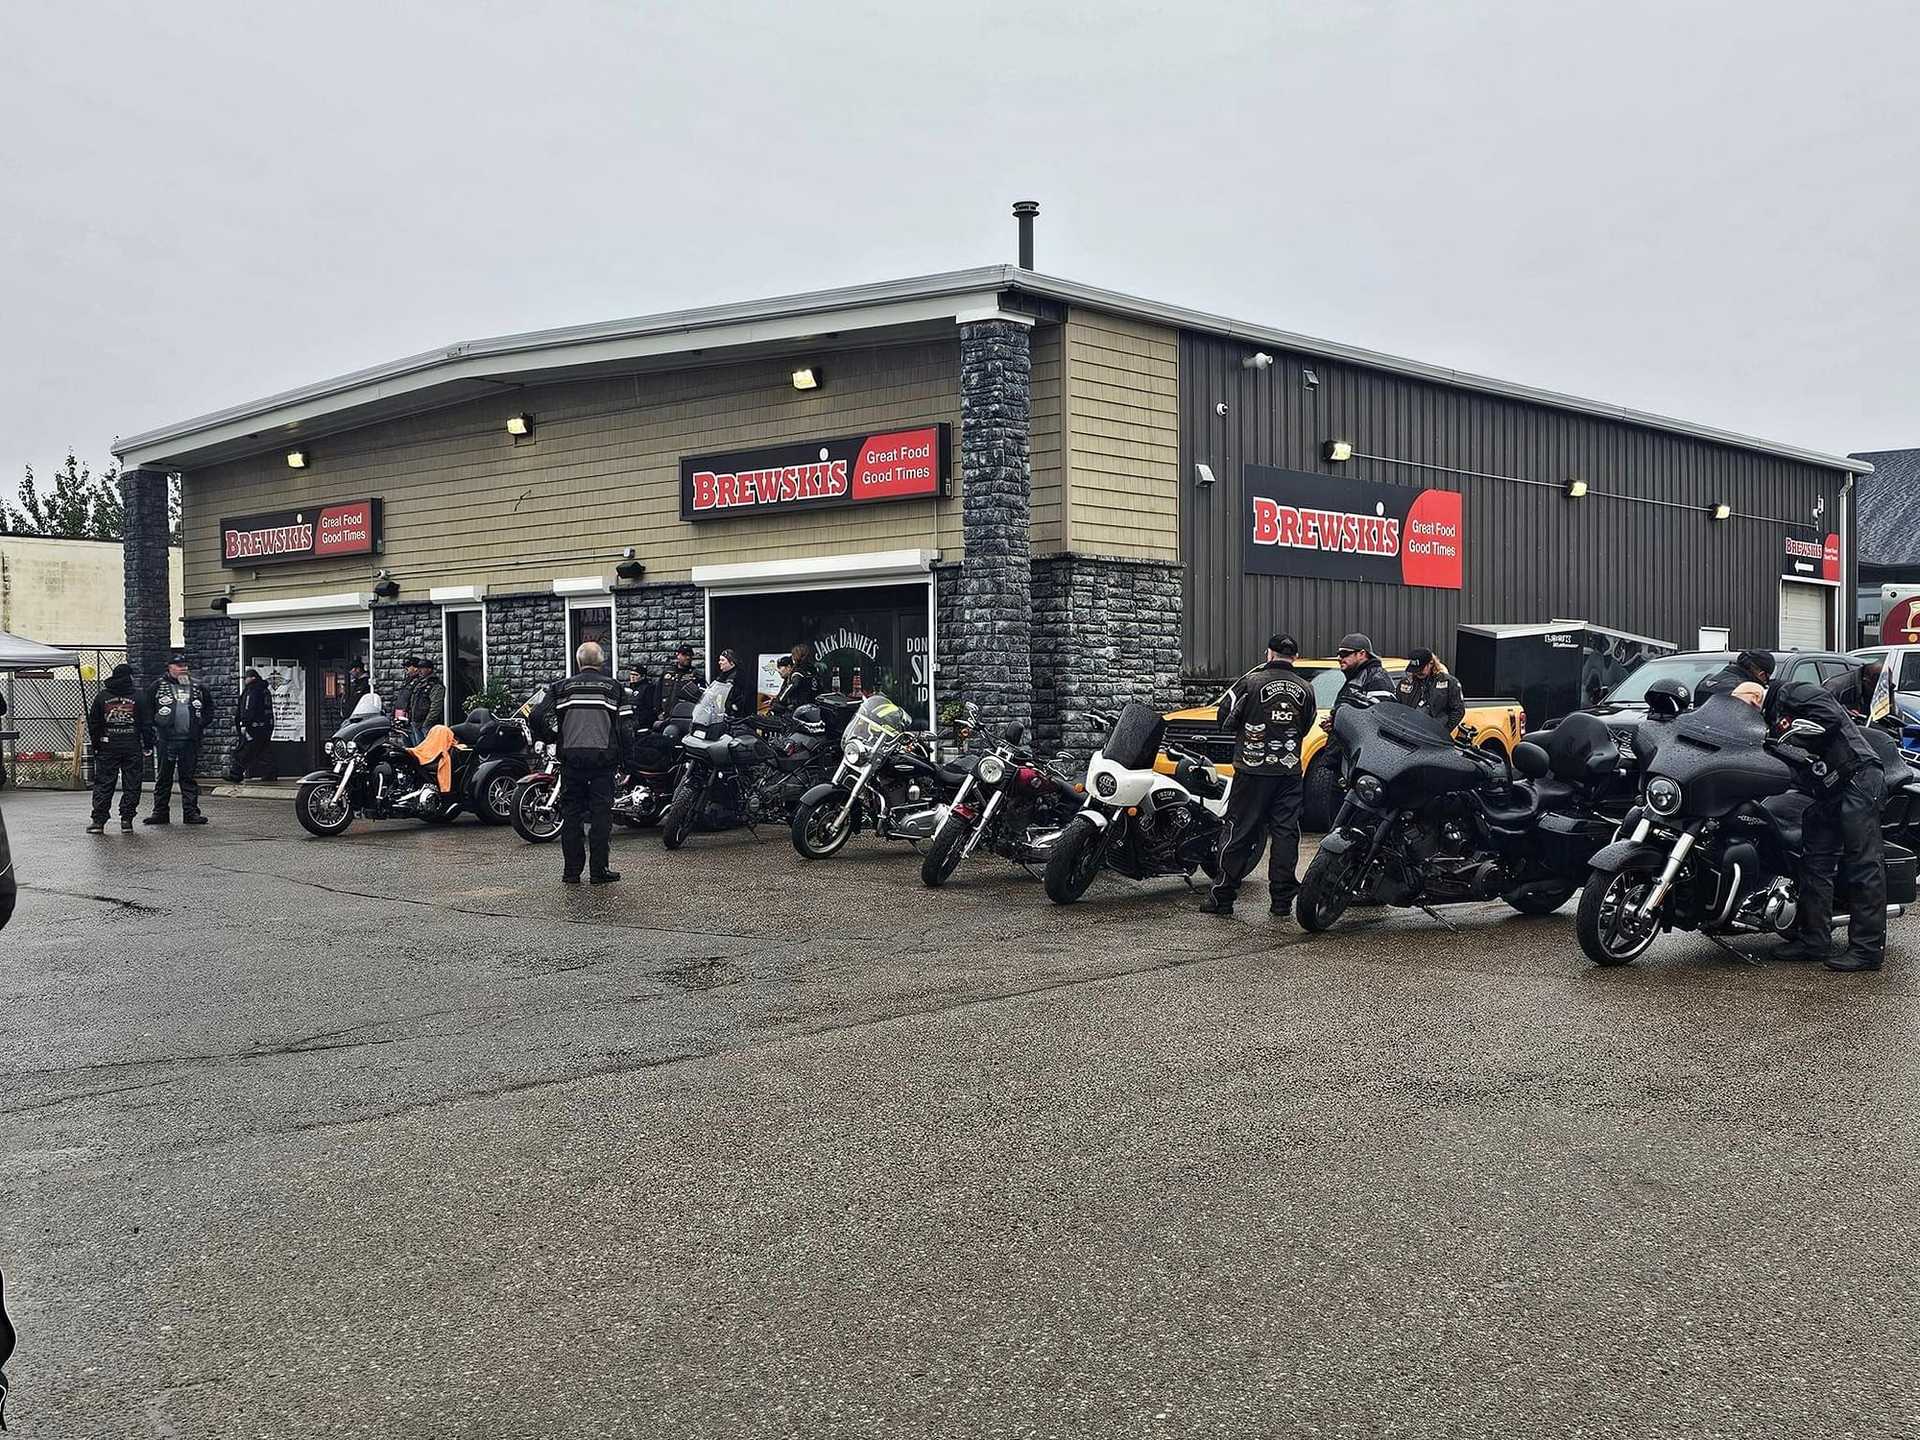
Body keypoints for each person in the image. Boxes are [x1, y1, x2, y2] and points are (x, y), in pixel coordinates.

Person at [1735, 678, 1887, 972]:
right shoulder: (1766, 719)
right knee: (1814, 863)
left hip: (1858, 776)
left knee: (1863, 864)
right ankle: (1814, 940)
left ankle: (1867, 950)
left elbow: (1827, 718)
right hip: (1827, 789)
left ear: (1755, 696)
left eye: (1743, 707)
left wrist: (1790, 739)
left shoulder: (1795, 692)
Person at [1200, 633, 1317, 918]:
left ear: (1269, 653)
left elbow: (1223, 717)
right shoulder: (1306, 688)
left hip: (1252, 771)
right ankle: (1281, 902)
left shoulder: (1249, 682)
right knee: (1286, 833)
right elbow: (1307, 723)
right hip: (1288, 772)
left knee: (1239, 830)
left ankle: (1222, 897)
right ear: (1296, 657)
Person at [530, 641, 628, 885]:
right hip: (603, 762)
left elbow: (536, 715)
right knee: (600, 816)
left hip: (571, 761)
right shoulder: (614, 688)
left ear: (578, 662)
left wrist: (551, 737)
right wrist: (626, 760)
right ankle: (598, 871)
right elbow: (627, 729)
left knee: (571, 816)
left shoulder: (561, 687)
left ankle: (571, 872)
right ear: (601, 662)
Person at [86, 663, 153, 833]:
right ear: (129, 677)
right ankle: (126, 820)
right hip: (131, 745)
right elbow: (146, 723)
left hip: (107, 746)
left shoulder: (102, 696)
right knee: (132, 783)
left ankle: (98, 822)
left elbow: (94, 723)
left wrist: (96, 745)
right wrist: (148, 744)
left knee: (104, 783)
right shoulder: (138, 697)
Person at [145, 652, 210, 825]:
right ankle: (160, 813)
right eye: (179, 666)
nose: (183, 669)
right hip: (166, 740)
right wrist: (156, 726)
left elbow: (209, 708)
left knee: (188, 777)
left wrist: (200, 723)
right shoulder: (158, 686)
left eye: (185, 666)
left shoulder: (197, 686)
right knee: (164, 777)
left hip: (189, 740)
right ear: (170, 667)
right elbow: (147, 708)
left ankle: (191, 813)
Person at [1324, 633, 1396, 729]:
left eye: (1344, 654)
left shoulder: (1377, 677)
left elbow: (1380, 718)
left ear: (1362, 654)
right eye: (1338, 654)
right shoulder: (1355, 676)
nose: (1339, 658)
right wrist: (1334, 722)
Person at [1394, 648, 1466, 733]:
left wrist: (1443, 732)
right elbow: (1396, 707)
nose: (1418, 672)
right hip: (1408, 732)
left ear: (1431, 663)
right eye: (1415, 670)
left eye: (1421, 669)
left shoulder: (1449, 683)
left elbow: (1458, 710)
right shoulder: (1405, 683)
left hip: (1433, 736)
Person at [228, 667, 277, 782]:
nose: (245, 680)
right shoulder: (264, 690)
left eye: (246, 678)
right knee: (264, 751)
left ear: (252, 678)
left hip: (253, 727)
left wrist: (244, 724)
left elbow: (248, 708)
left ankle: (235, 774)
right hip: (265, 726)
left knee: (244, 750)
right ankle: (270, 773)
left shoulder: (252, 690)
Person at [1695, 648, 1774, 708]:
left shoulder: (1707, 681)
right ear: (1762, 675)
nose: (1765, 683)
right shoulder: (1744, 693)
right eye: (1766, 679)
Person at [769, 653, 817, 717]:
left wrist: (778, 701)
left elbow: (794, 685)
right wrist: (775, 700)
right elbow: (783, 692)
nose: (778, 671)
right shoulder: (788, 679)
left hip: (803, 711)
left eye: (780, 667)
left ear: (788, 667)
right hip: (801, 710)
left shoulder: (796, 674)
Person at [714, 648, 756, 719]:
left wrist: (735, 706)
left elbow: (748, 691)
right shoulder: (722, 675)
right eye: (719, 660)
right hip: (723, 713)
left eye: (722, 660)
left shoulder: (739, 675)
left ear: (732, 663)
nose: (719, 662)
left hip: (735, 716)